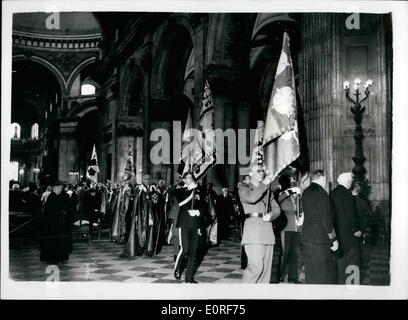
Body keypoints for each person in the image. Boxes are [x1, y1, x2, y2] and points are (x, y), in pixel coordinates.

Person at [239, 165, 281, 283]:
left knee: (265, 273)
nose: (262, 173)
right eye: (258, 171)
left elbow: (277, 209)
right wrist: (265, 184)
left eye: (263, 171)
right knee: (256, 268)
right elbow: (252, 198)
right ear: (251, 174)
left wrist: (271, 215)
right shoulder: (243, 188)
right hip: (253, 233)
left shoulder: (267, 191)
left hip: (267, 231)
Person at [301, 169, 338, 284]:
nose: (326, 181)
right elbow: (326, 219)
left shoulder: (306, 192)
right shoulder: (322, 193)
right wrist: (333, 239)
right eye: (326, 179)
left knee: (311, 272)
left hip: (307, 237)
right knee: (322, 273)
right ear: (322, 178)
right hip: (320, 239)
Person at [173, 171, 206, 283]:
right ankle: (177, 269)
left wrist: (198, 212)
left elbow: (203, 206)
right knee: (185, 249)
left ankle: (189, 277)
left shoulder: (199, 190)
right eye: (187, 178)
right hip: (184, 223)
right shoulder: (181, 190)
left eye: (191, 178)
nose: (190, 179)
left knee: (193, 251)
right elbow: (170, 191)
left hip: (195, 223)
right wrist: (182, 185)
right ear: (184, 179)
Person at [330, 172, 362, 284]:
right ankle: (352, 286)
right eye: (350, 181)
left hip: (338, 233)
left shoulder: (333, 193)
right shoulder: (347, 194)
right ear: (347, 181)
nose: (351, 183)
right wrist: (356, 229)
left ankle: (341, 284)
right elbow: (351, 214)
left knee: (341, 260)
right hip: (349, 233)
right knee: (354, 260)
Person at [277, 174, 303, 284]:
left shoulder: (294, 195)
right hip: (286, 226)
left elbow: (299, 207)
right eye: (289, 182)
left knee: (295, 253)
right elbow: (280, 199)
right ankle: (280, 275)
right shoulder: (282, 194)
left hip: (296, 227)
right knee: (285, 252)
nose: (291, 183)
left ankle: (293, 277)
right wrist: (291, 191)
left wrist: (301, 216)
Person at [40, 181, 71, 264]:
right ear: (56, 188)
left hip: (56, 223)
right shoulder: (53, 197)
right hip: (54, 224)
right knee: (54, 242)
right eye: (60, 188)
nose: (61, 190)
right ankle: (53, 258)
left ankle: (56, 257)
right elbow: (54, 211)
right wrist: (63, 212)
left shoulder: (54, 197)